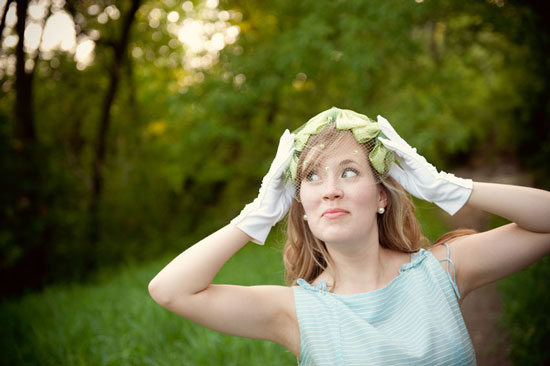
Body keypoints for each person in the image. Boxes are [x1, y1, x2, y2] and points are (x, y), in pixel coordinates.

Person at [148, 107, 550, 365]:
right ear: (301, 206)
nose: (330, 190)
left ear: (380, 197)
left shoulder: (442, 269)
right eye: (312, 176)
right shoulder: (296, 311)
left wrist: (448, 188)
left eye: (349, 171)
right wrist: (257, 216)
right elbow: (170, 290)